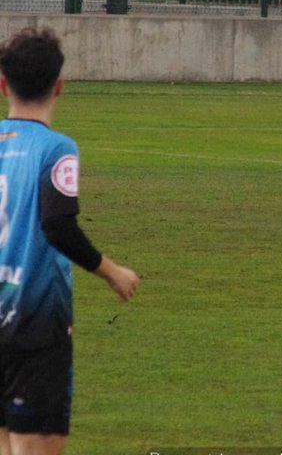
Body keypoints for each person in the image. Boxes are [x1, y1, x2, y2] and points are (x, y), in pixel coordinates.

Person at [0, 28, 140, 455]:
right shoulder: (56, 149)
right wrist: (111, 270)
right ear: (59, 86)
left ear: (3, 85)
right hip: (35, 328)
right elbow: (58, 224)